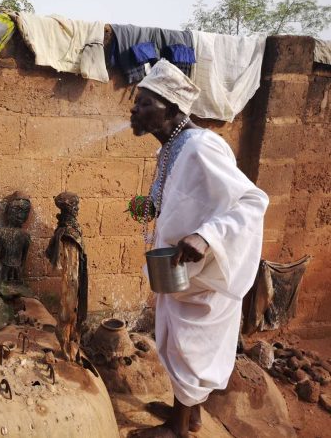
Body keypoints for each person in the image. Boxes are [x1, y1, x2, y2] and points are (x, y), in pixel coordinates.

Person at [128, 59, 269, 438]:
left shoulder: (202, 147)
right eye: (135, 101)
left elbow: (252, 201)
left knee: (189, 349)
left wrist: (207, 236)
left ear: (172, 109)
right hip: (183, 272)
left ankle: (177, 430)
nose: (134, 109)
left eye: (144, 103)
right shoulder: (172, 149)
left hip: (204, 273)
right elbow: (188, 198)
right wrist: (152, 205)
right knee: (179, 343)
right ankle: (189, 417)